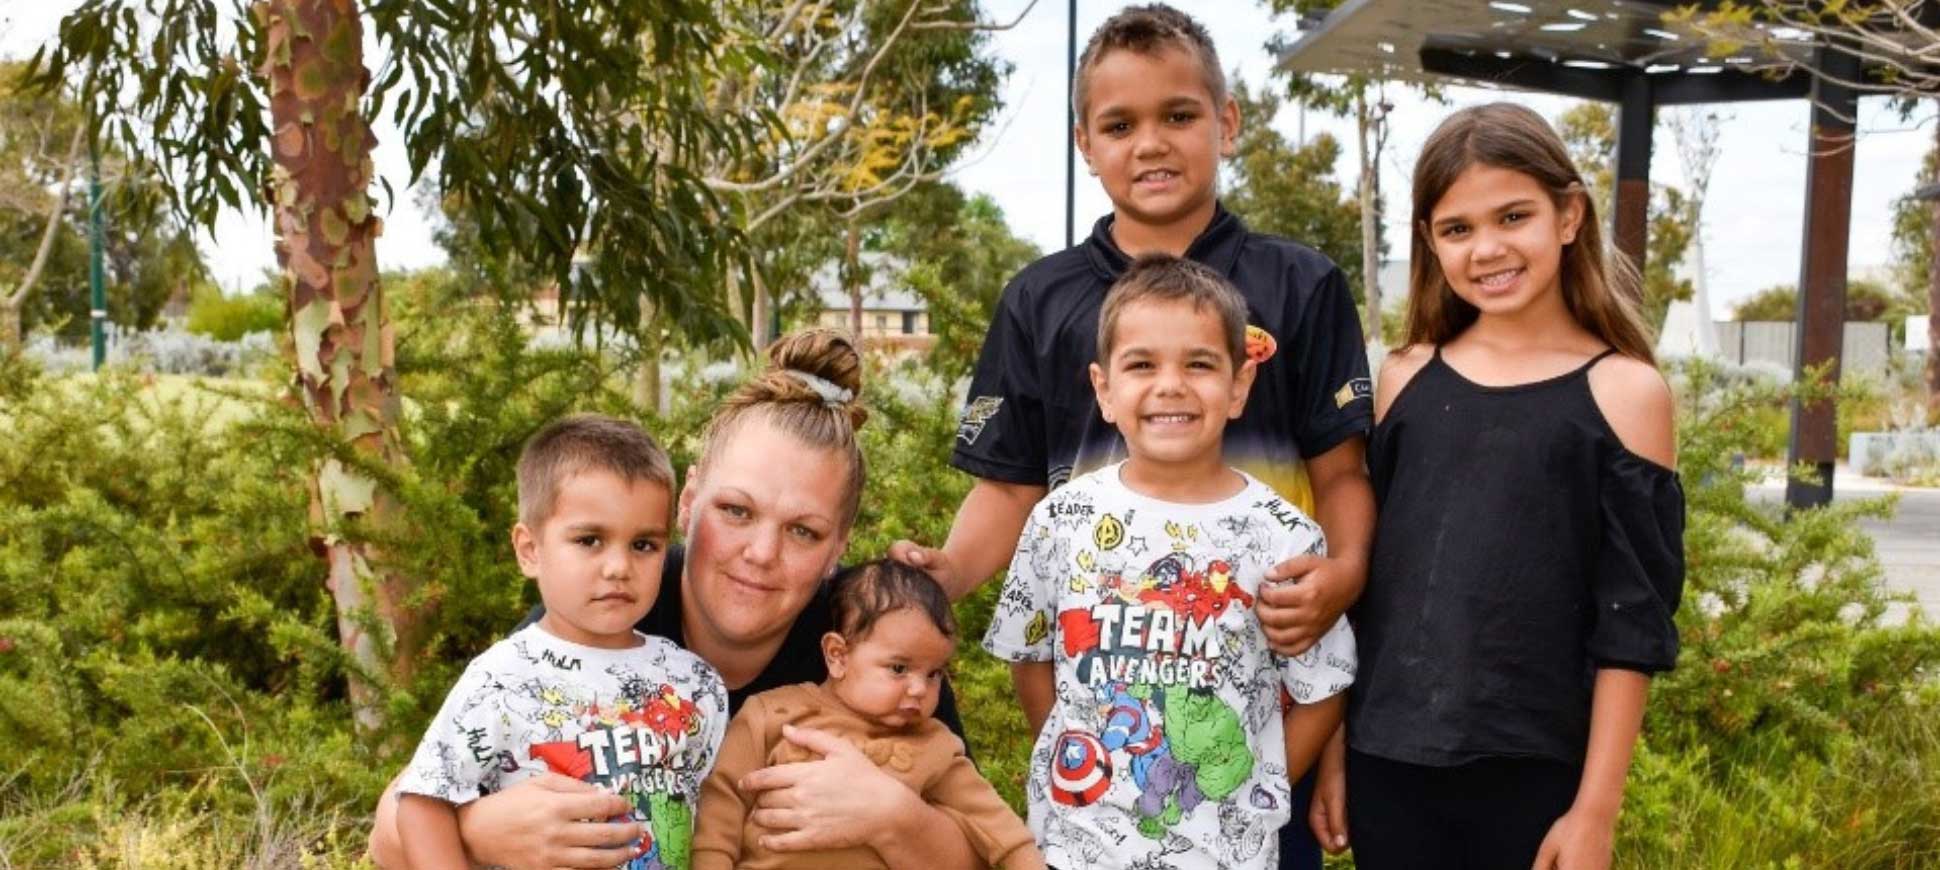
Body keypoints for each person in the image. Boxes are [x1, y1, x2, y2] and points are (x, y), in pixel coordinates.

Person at [891, 6, 1374, 867]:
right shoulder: (1039, 300)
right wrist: (948, 574)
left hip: (1255, 718)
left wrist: (1341, 577)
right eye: (1120, 124)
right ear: (1085, 141)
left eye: (1178, 116)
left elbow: (1341, 472)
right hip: (1099, 770)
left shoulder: (1302, 284)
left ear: (1226, 122)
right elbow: (1008, 488)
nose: (1150, 143)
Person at [370, 330, 988, 870]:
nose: (762, 552)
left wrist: (894, 818)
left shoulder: (876, 638)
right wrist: (483, 831)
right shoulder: (610, 605)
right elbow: (390, 830)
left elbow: (982, 851)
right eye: (736, 511)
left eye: (804, 531)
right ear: (688, 502)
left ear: (838, 548)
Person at [1316, 102, 1684, 869]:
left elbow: (1632, 623)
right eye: (1457, 229)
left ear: (1570, 215)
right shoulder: (1405, 377)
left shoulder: (1627, 393)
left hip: (1539, 777)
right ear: (1429, 242)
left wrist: (1596, 811)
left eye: (1513, 216)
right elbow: (1380, 594)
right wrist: (1338, 749)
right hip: (1392, 769)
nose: (1487, 248)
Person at [982, 255, 1356, 870]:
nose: (1171, 385)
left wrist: (1254, 789)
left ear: (1239, 387)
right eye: (1142, 365)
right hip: (1076, 850)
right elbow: (1031, 655)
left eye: (1200, 364)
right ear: (1104, 390)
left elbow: (1323, 687)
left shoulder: (1285, 536)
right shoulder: (1060, 520)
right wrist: (1074, 759)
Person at [393, 414, 727, 870]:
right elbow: (422, 802)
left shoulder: (696, 683)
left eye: (644, 545)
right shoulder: (501, 677)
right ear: (530, 550)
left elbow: (715, 817)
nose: (618, 567)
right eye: (590, 540)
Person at [694, 559, 1044, 870]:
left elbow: (997, 826)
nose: (920, 689)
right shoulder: (770, 714)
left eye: (934, 673)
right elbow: (720, 807)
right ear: (838, 655)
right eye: (898, 668)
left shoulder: (937, 745)